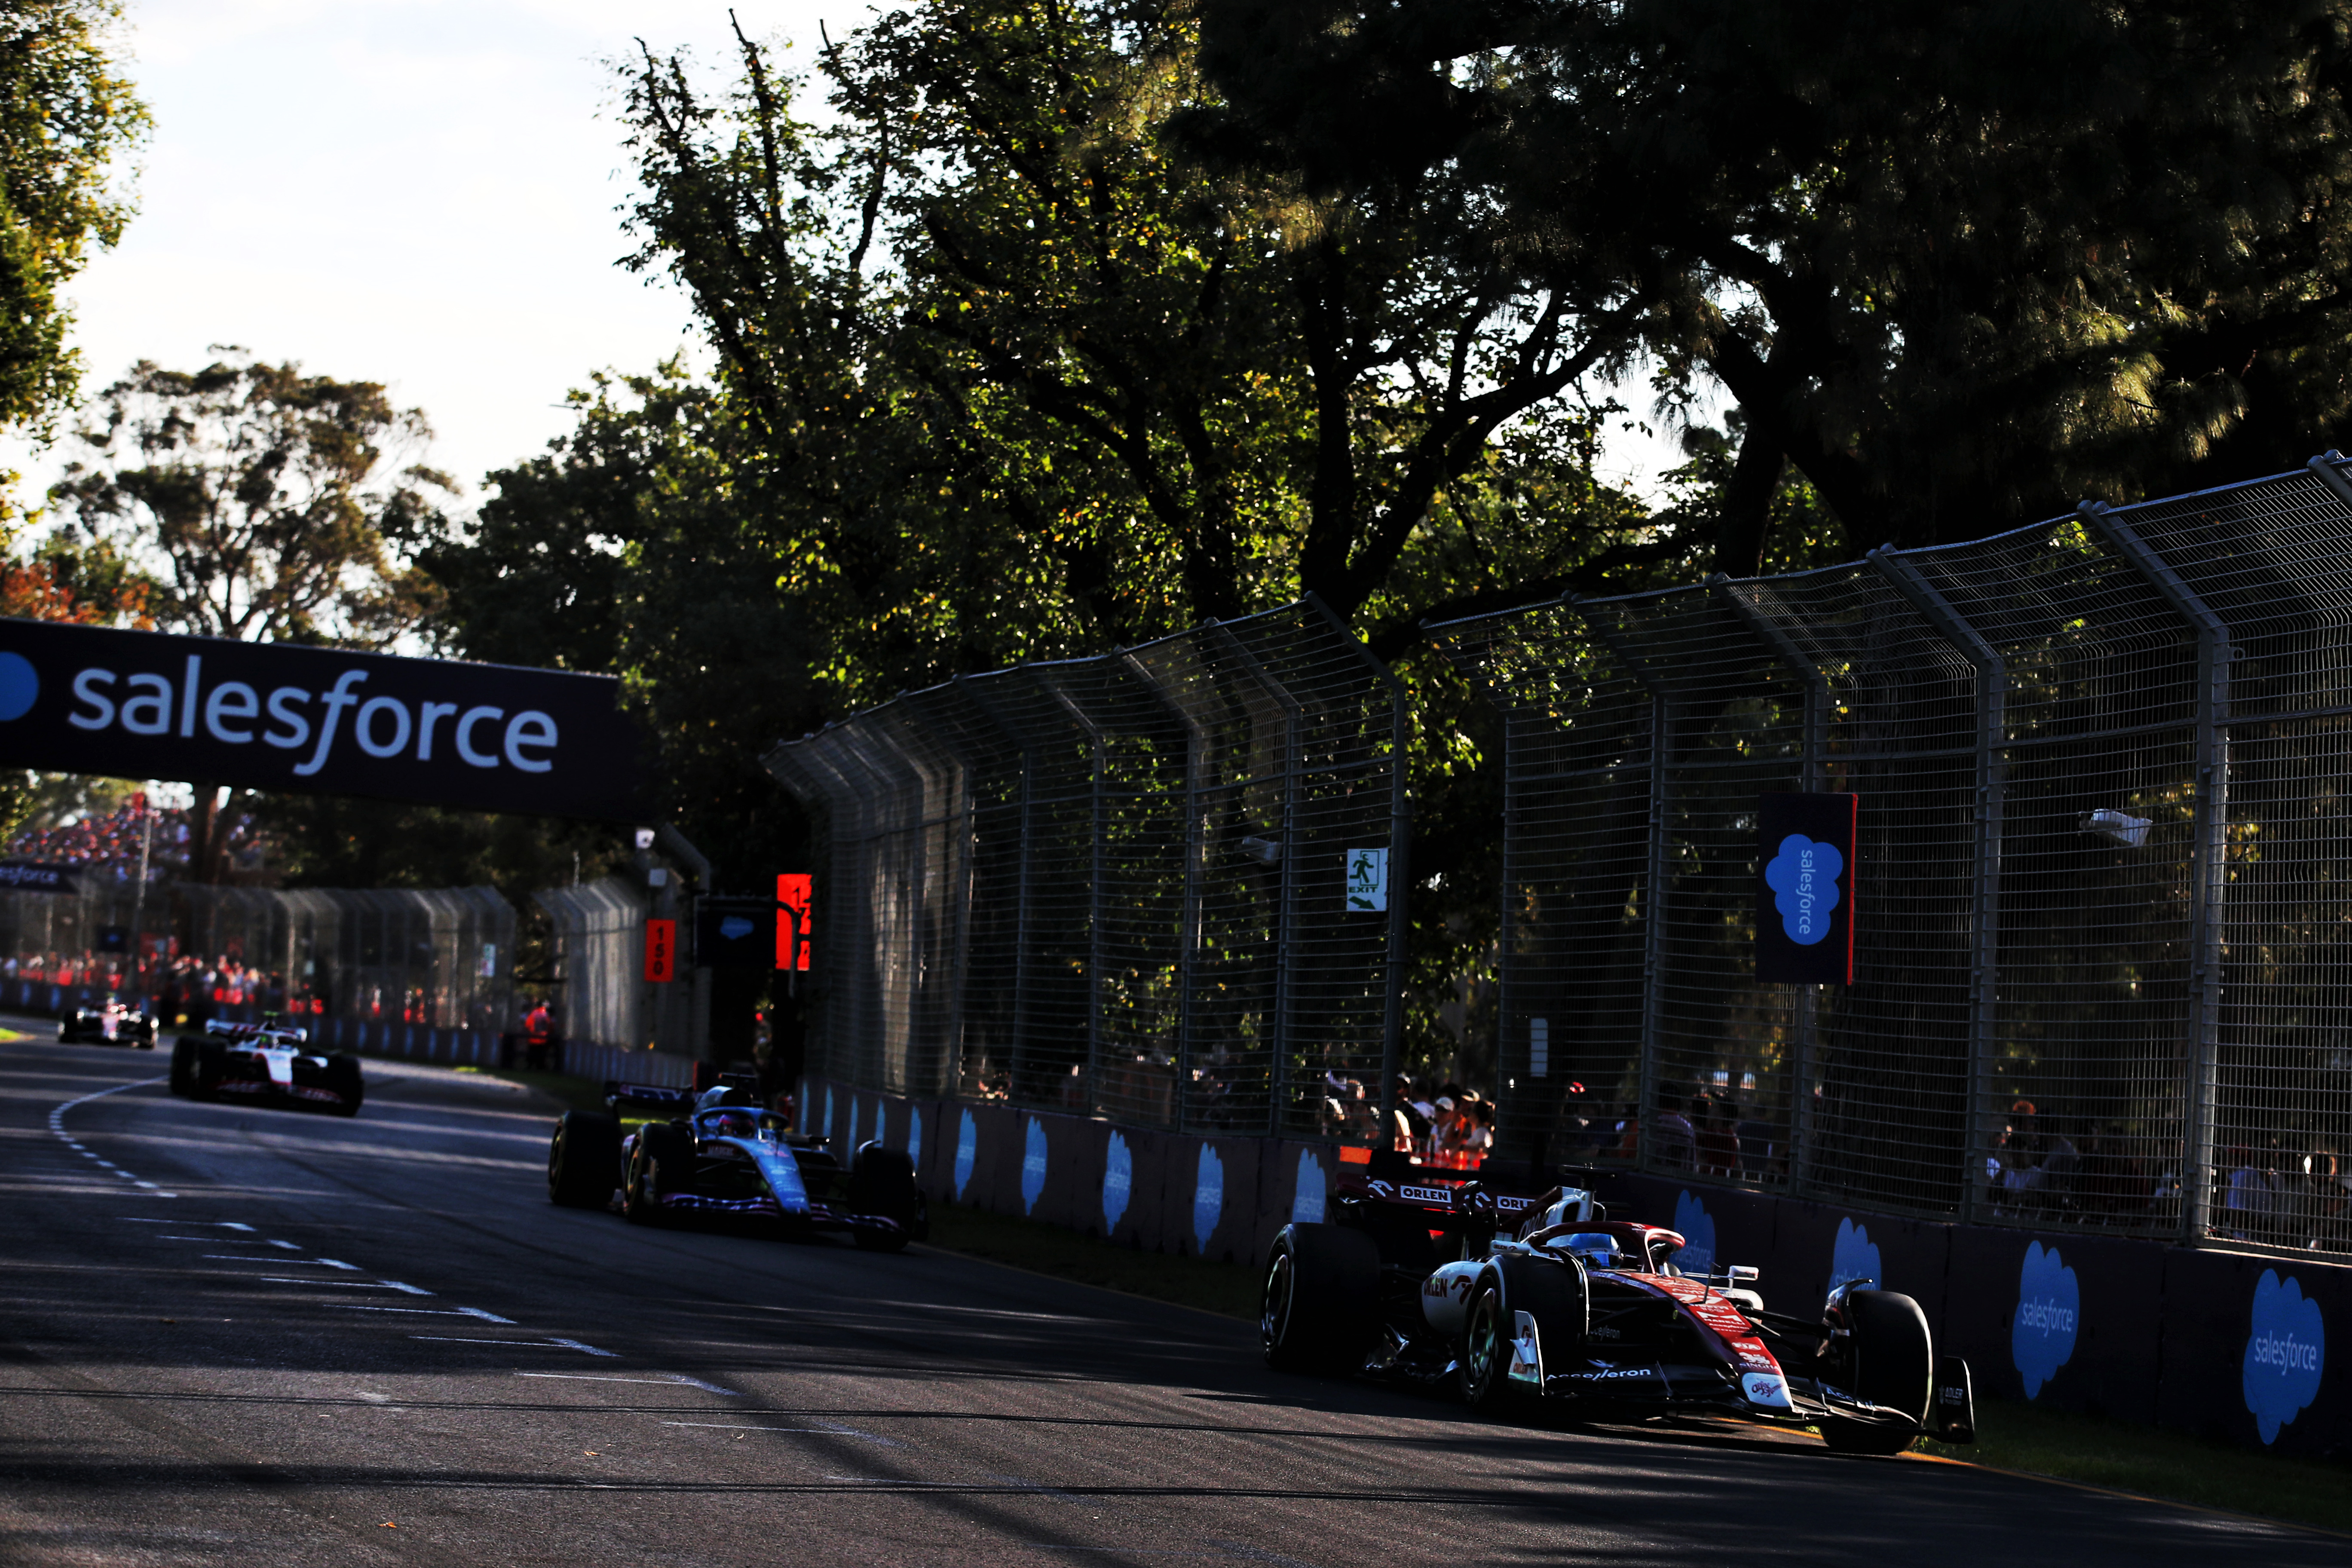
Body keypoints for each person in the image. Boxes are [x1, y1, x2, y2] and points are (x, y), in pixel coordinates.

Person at [521, 998, 555, 1072]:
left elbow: (527, 1025)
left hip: (533, 1038)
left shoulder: (533, 1014)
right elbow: (550, 1026)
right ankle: (540, 1067)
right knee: (542, 1054)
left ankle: (530, 1066)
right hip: (543, 1039)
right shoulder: (546, 1015)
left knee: (532, 1053)